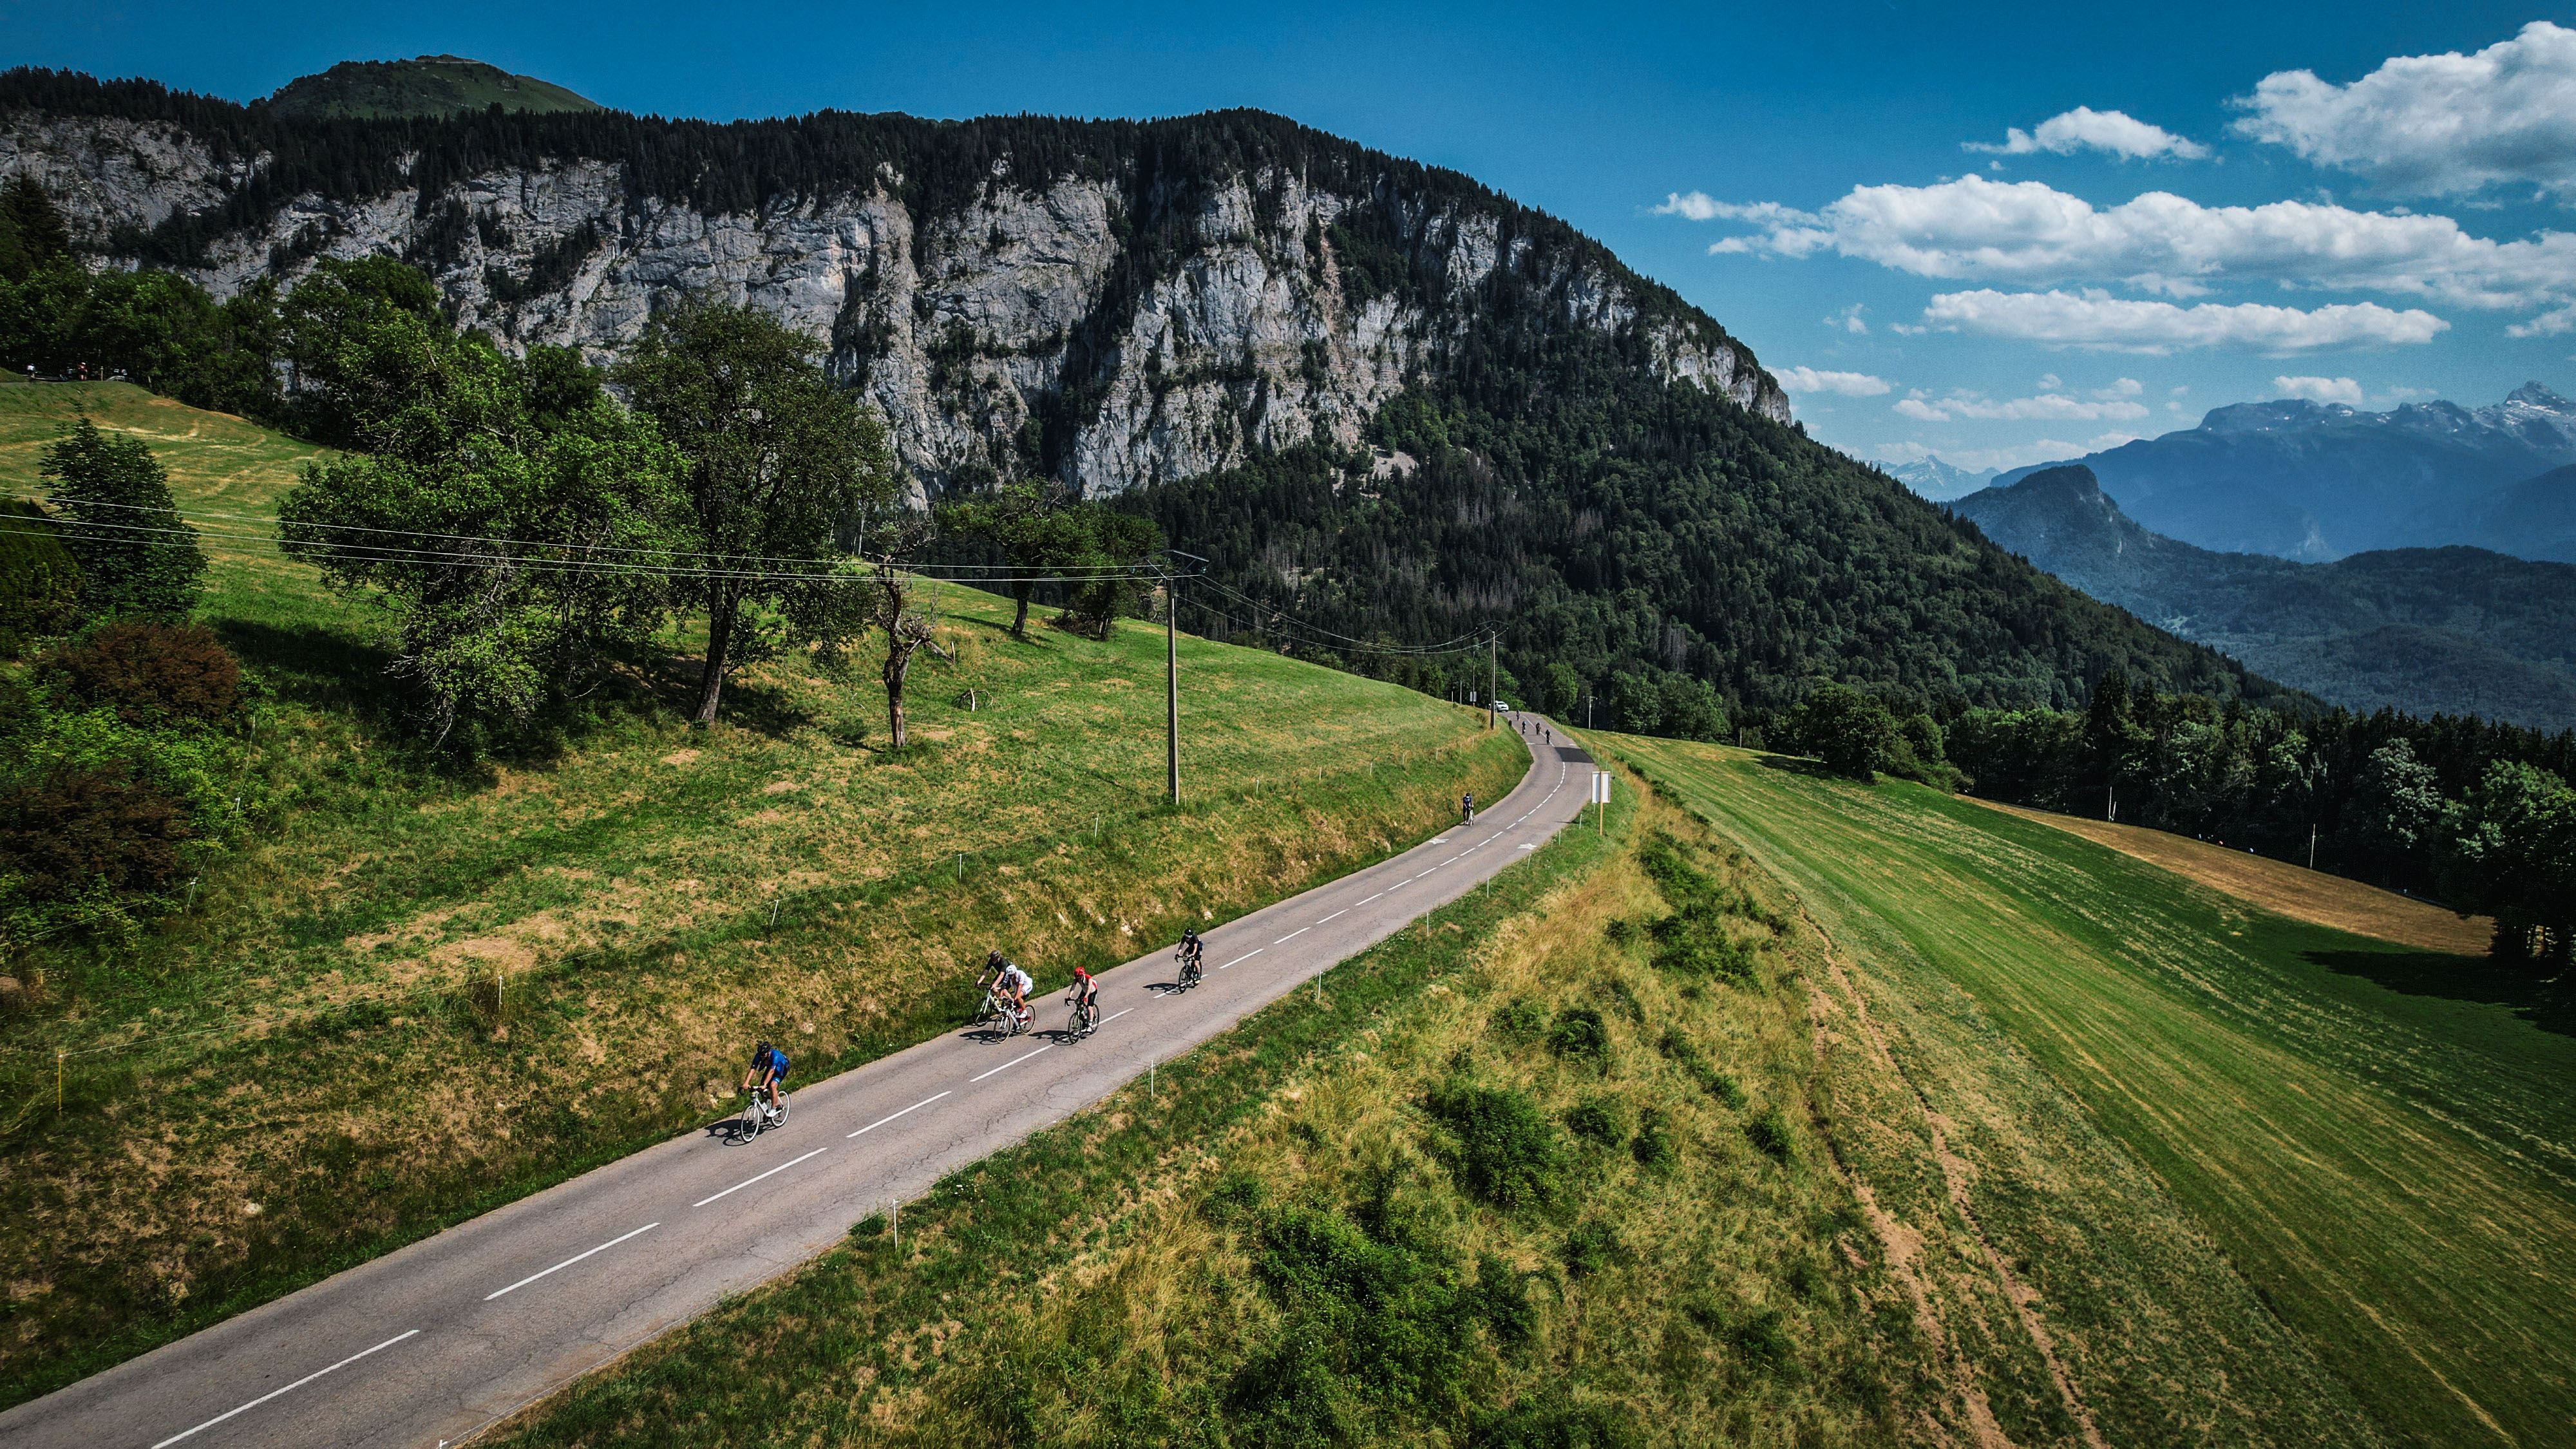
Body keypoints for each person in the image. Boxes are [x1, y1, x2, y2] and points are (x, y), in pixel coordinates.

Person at [743, 1039, 790, 1117]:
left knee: (772, 1085)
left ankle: (774, 1108)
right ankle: (767, 1105)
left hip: (782, 1067)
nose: (761, 1056)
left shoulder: (775, 1055)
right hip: (771, 1067)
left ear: (769, 1052)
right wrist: (746, 1083)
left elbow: (772, 1071)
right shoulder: (759, 1055)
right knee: (761, 1089)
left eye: (763, 1055)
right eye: (760, 1054)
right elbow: (753, 1069)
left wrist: (765, 1084)